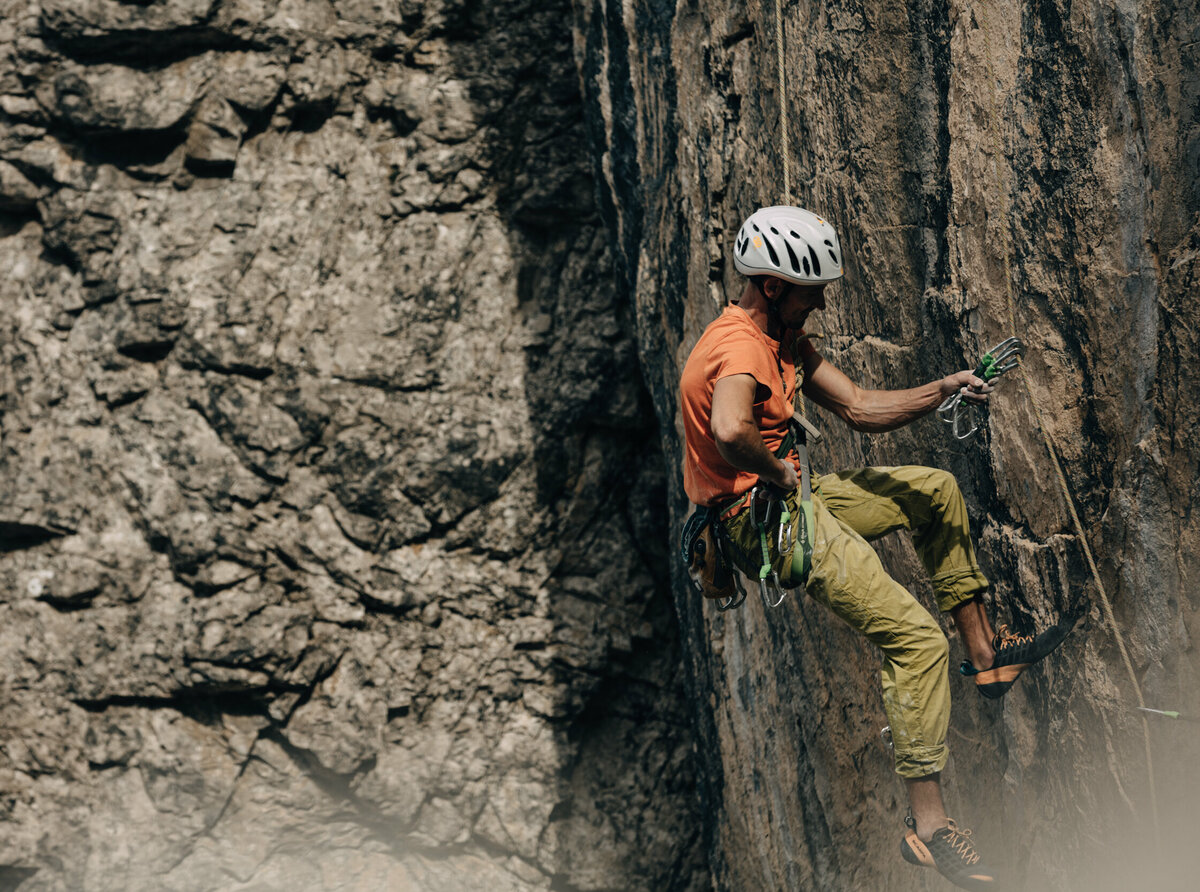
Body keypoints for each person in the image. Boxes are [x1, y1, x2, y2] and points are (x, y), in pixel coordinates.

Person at [679, 206, 1066, 891]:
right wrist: (778, 471)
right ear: (772, 287)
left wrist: (943, 387)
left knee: (934, 489)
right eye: (811, 289)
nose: (823, 300)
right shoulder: (741, 347)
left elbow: (858, 406)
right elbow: (732, 427)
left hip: (784, 499)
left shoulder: (783, 338)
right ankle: (931, 828)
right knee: (915, 641)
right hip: (763, 517)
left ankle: (986, 656)